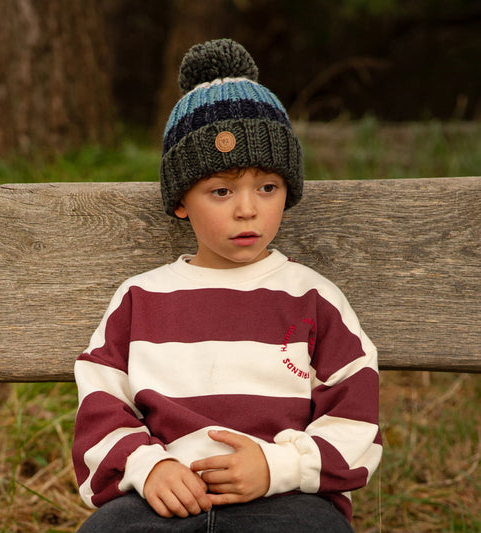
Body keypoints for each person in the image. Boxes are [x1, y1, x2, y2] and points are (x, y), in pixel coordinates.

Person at [73, 39, 382, 532]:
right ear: (181, 200)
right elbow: (101, 404)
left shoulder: (312, 298)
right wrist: (147, 466)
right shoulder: (140, 299)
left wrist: (280, 466)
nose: (247, 209)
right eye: (221, 191)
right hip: (162, 502)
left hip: (284, 499)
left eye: (267, 187)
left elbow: (354, 414)